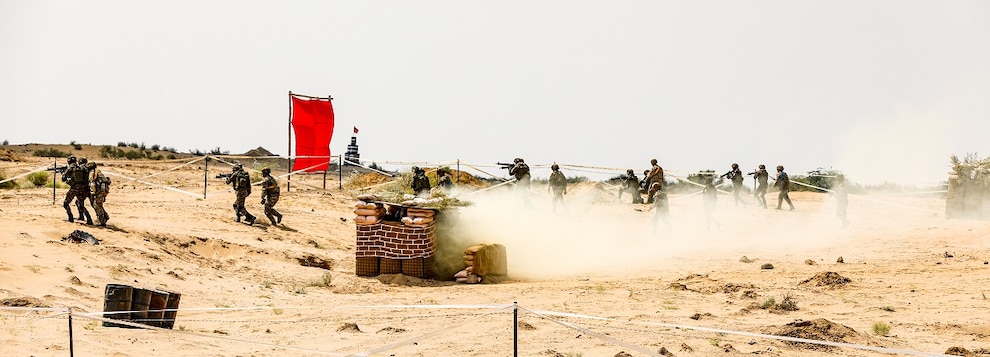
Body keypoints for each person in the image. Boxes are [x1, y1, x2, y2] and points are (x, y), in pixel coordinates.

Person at [61, 156, 93, 225]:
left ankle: (70, 218)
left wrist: (63, 173)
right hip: (82, 188)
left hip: (74, 188)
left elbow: (63, 178)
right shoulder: (80, 167)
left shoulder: (70, 168)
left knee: (66, 203)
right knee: (80, 204)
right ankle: (89, 219)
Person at [87, 161, 112, 227]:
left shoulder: (92, 173)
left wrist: (93, 193)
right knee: (99, 204)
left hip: (99, 191)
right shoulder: (97, 171)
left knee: (97, 205)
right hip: (103, 189)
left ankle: (102, 222)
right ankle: (105, 217)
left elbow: (92, 184)